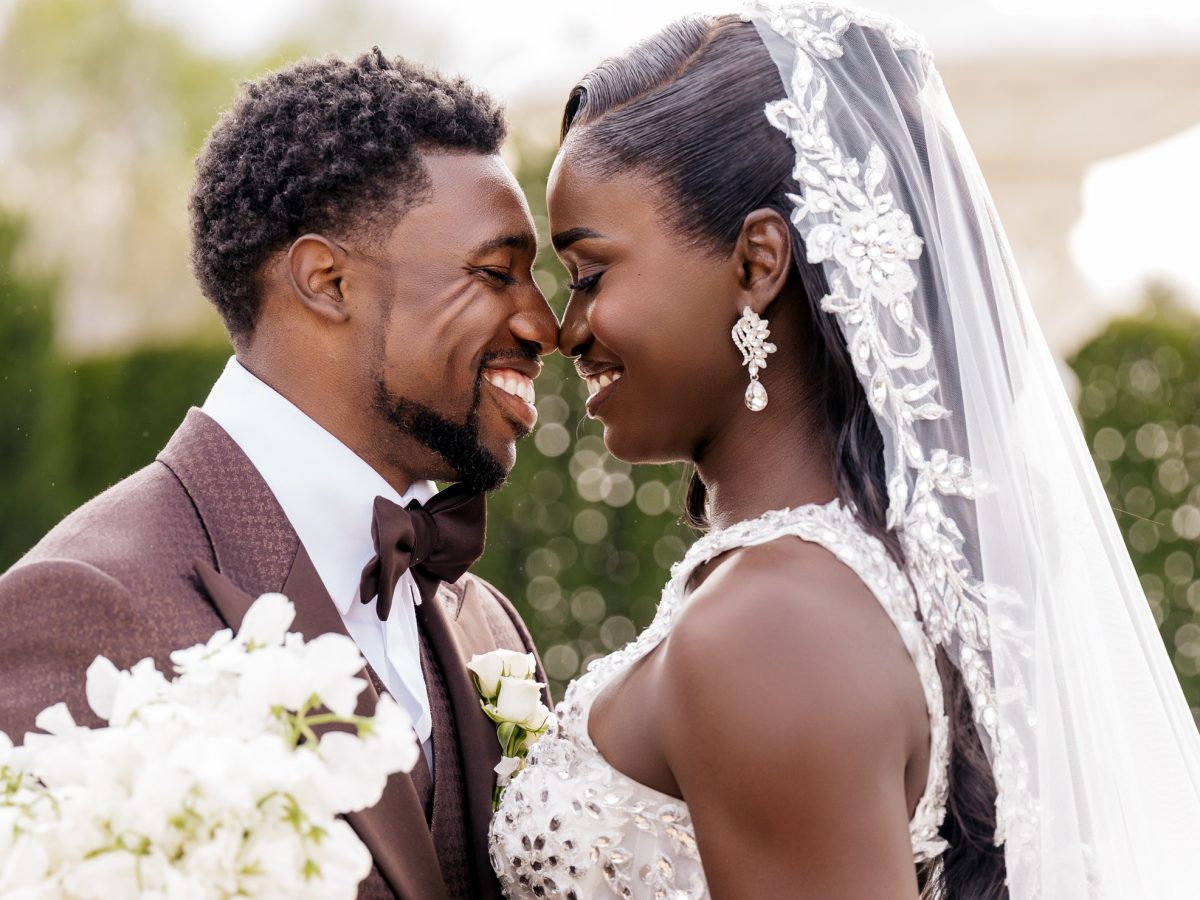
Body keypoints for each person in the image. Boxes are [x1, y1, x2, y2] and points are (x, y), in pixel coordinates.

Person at [489, 3, 1200, 899]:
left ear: (756, 263)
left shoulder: (769, 626)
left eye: (590, 275)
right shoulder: (838, 582)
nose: (566, 329)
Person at [0, 49, 558, 900]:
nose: (543, 323)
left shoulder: (490, 629)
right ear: (326, 281)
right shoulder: (79, 607)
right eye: (495, 274)